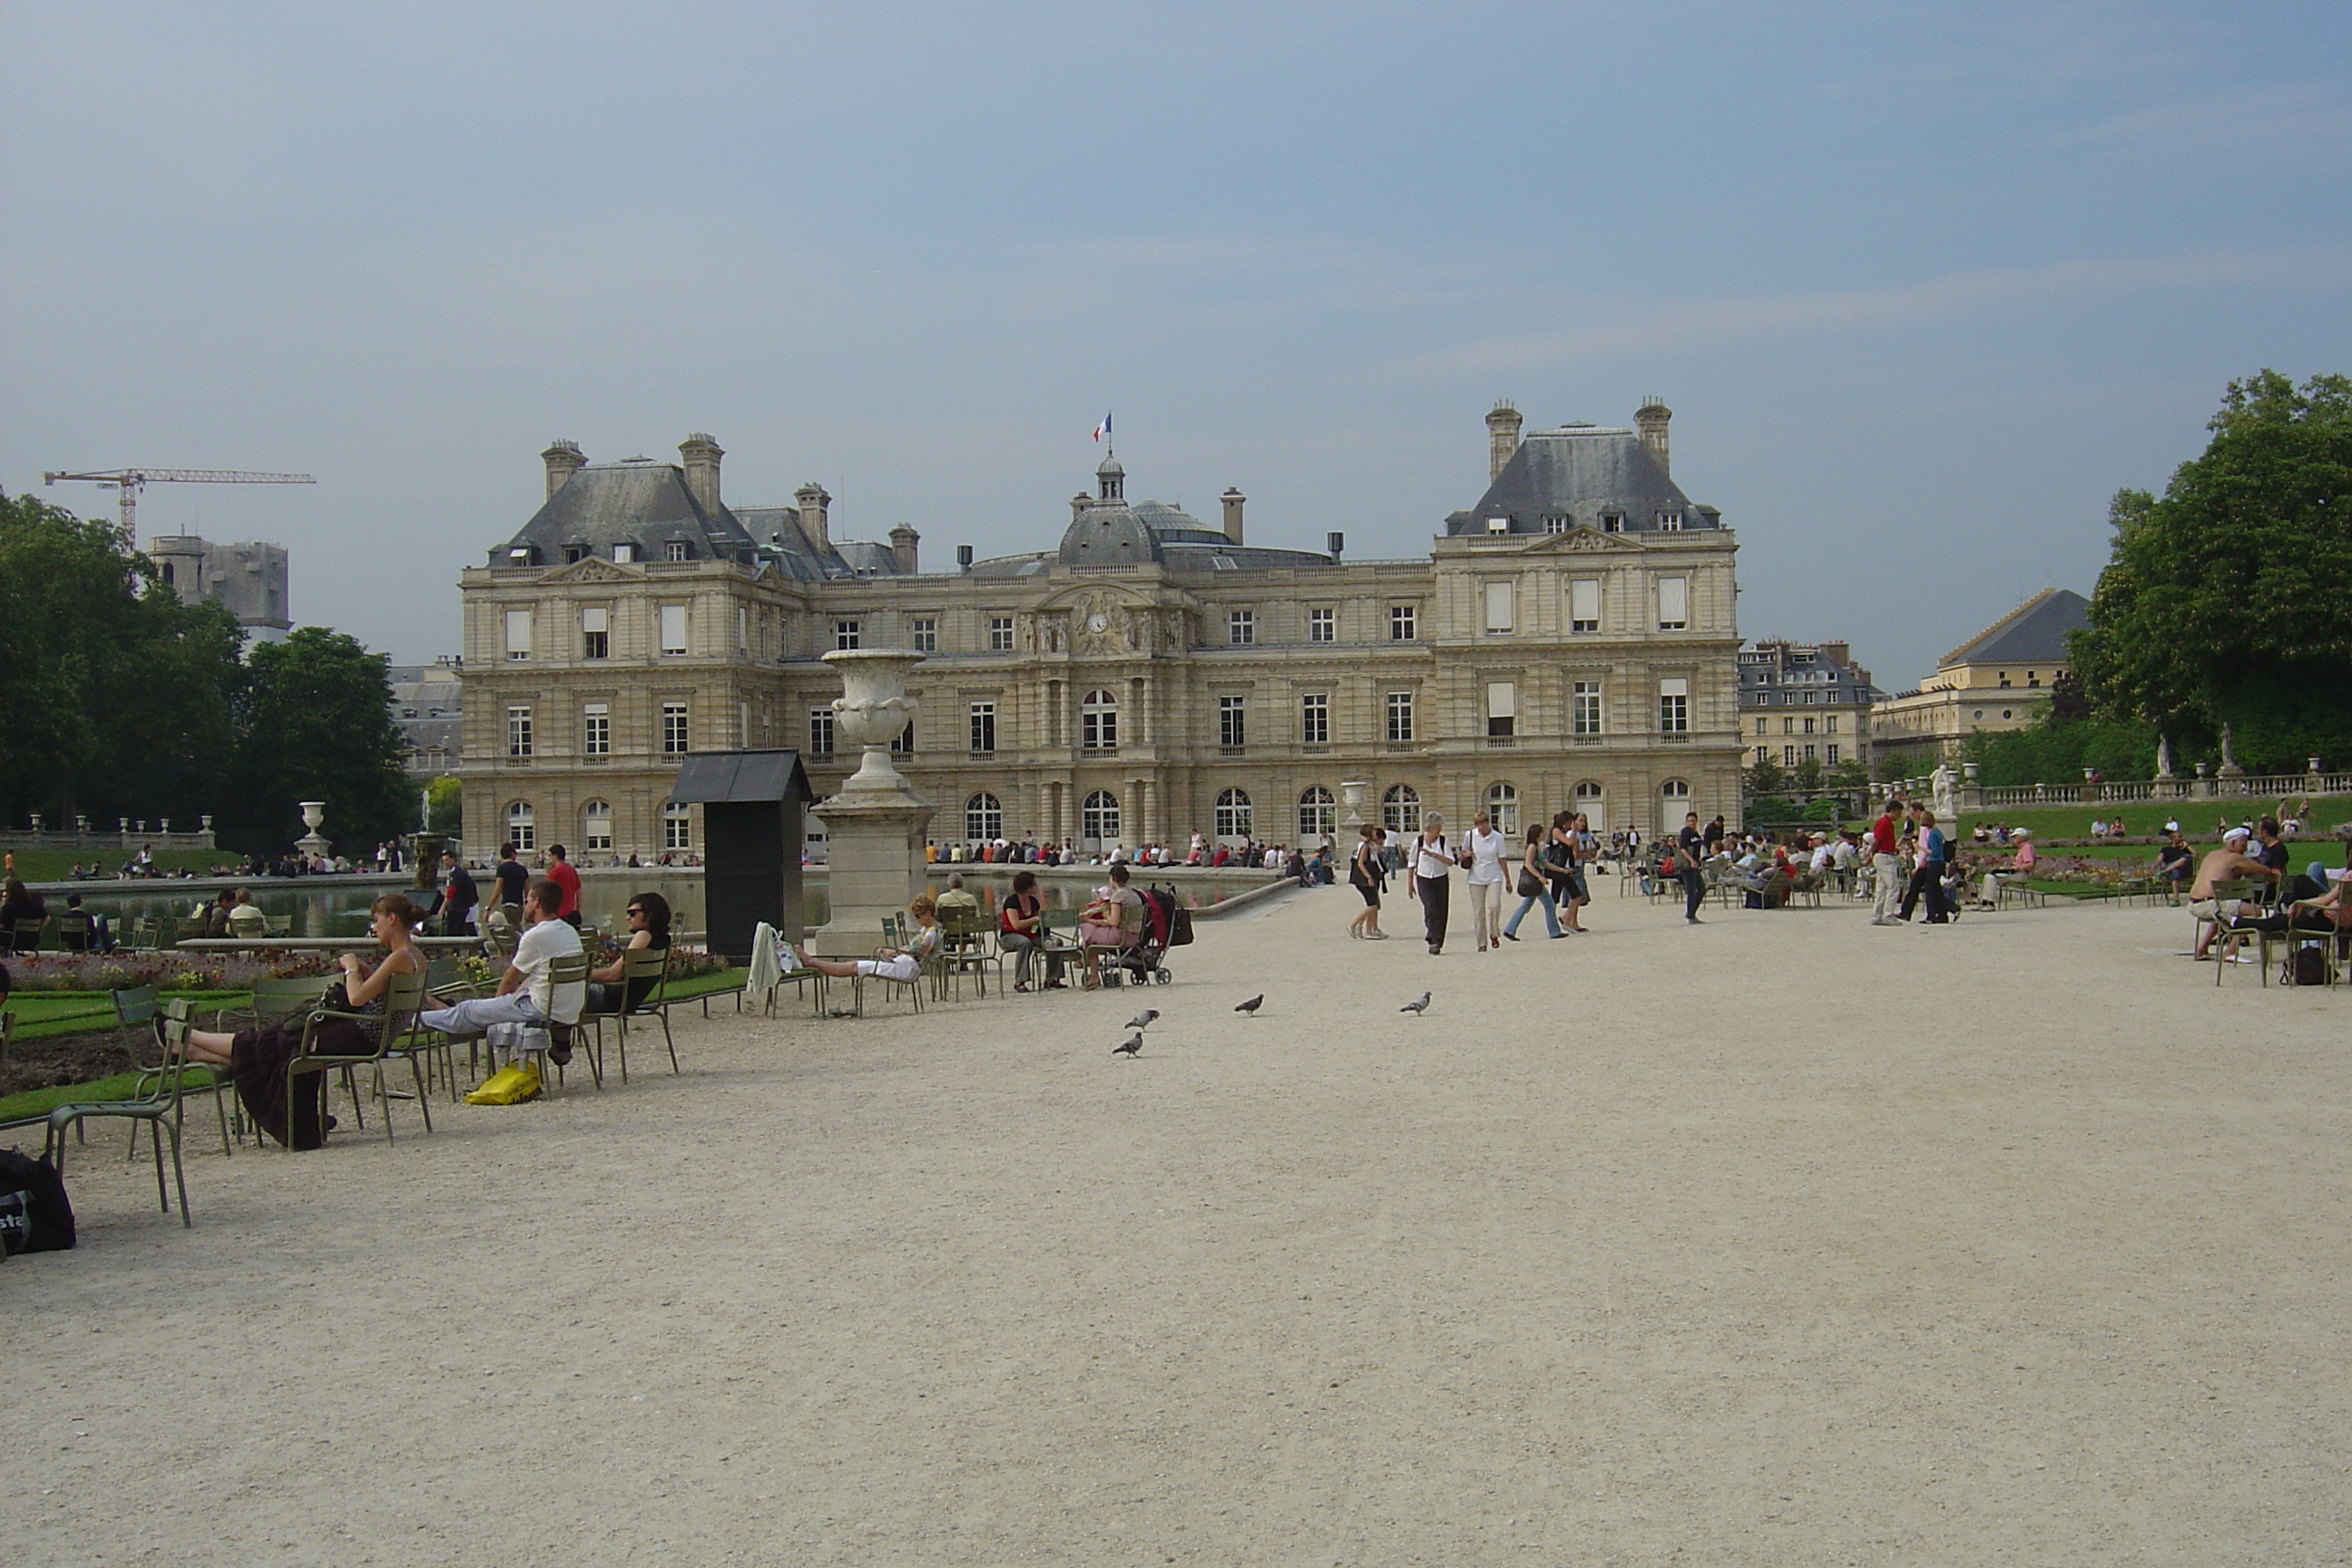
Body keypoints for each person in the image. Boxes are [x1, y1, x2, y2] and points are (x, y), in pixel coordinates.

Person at [180, 894, 426, 1150]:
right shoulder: (416, 956)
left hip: (363, 1035)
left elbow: (355, 998)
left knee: (282, 1041)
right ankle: (195, 1047)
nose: (374, 927)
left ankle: (191, 1038)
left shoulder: (398, 957)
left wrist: (351, 968)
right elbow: (381, 994)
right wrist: (365, 973)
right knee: (280, 1041)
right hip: (375, 1034)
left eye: (377, 920)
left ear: (392, 919)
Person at [420, 879, 587, 1102]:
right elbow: (540, 976)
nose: (525, 905)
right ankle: (438, 1011)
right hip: (566, 1008)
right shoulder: (568, 932)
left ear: (537, 903)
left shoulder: (535, 936)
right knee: (479, 1009)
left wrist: (499, 1002)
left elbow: (510, 976)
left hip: (539, 1008)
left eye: (528, 901)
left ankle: (416, 1020)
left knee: (469, 1010)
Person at [793, 893, 943, 991]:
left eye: (918, 916)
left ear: (928, 913)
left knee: (853, 967)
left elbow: (919, 951)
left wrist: (894, 951)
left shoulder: (930, 933)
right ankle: (812, 962)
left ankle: (812, 962)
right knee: (855, 965)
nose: (916, 919)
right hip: (903, 964)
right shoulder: (929, 930)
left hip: (905, 968)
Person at [2188, 828, 2281, 960]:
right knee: (2255, 913)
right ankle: (2230, 952)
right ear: (2232, 843)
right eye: (2243, 843)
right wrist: (2274, 874)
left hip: (2194, 904)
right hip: (2211, 904)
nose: (2246, 847)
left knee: (2226, 912)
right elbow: (2264, 870)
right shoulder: (2235, 857)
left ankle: (2202, 949)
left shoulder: (2212, 854)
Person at [585, 891, 671, 1015]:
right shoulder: (663, 940)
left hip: (610, 1000)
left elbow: (613, 975)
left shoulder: (644, 936)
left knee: (555, 993)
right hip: (627, 1002)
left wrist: (579, 974)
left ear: (650, 914)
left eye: (633, 913)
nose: (628, 918)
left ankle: (558, 1034)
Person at [1073, 866, 1144, 986]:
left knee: (1087, 929)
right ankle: (1088, 965)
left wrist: (1090, 921)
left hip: (1120, 936)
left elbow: (1113, 922)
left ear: (1113, 878)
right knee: (1092, 936)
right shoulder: (1135, 895)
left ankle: (1092, 973)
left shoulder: (1118, 896)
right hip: (1134, 936)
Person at [997, 870, 1063, 990]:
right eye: (1035, 884)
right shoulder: (1011, 902)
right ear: (1028, 888)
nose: (1037, 886)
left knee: (1055, 942)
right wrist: (1034, 920)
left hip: (1031, 934)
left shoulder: (1033, 902)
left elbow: (1036, 923)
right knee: (1024, 943)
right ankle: (1020, 981)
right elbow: (1016, 925)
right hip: (1010, 936)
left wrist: (1042, 927)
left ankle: (1051, 978)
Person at [1501, 821, 1563, 941]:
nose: (1544, 834)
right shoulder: (1532, 847)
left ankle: (1510, 929)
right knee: (1549, 904)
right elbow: (1528, 865)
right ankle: (1554, 931)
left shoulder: (1536, 847)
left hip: (1534, 881)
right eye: (1542, 832)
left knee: (1526, 906)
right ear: (1537, 834)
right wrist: (1540, 876)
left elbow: (1545, 863)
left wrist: (1561, 870)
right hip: (1533, 880)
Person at [1406, 814, 1457, 955]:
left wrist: (1433, 854)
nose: (1440, 829)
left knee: (1442, 910)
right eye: (1438, 826)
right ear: (1431, 827)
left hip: (1441, 878)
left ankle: (1438, 940)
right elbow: (1411, 864)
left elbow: (1450, 861)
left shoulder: (1442, 841)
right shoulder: (1418, 842)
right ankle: (1432, 938)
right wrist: (1410, 884)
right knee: (1430, 907)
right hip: (1424, 878)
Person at [1896, 805, 1952, 923]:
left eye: (1913, 813)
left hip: (1928, 862)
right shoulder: (1931, 830)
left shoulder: (1925, 830)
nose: (1912, 816)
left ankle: (1941, 911)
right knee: (1930, 889)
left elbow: (1926, 848)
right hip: (1930, 862)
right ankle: (1940, 914)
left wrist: (1921, 862)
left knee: (1927, 889)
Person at [1867, 796, 1906, 926]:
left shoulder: (1885, 823)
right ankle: (1888, 914)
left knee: (1882, 887)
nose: (1899, 816)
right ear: (1893, 811)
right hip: (1884, 856)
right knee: (1893, 885)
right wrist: (1871, 852)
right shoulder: (1884, 823)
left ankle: (1877, 915)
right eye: (1899, 813)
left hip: (1883, 854)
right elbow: (1876, 840)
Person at [1347, 824, 1387, 939]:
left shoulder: (1369, 845)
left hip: (1372, 877)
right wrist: (1369, 877)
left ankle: (1367, 928)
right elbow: (1360, 863)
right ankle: (1354, 924)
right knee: (1373, 906)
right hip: (1365, 879)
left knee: (1373, 904)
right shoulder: (1365, 846)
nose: (1376, 833)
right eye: (1374, 831)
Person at [1674, 811, 1707, 924]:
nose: (1691, 823)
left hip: (1695, 865)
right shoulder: (1685, 832)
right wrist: (1691, 860)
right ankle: (1691, 915)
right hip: (1687, 865)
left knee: (1701, 889)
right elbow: (1682, 848)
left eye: (1693, 821)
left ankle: (1691, 912)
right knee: (1692, 890)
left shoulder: (1695, 833)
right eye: (1689, 821)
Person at [439, 849, 479, 937]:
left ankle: (454, 950)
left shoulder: (454, 873)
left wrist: (443, 908)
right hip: (465, 906)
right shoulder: (461, 872)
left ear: (454, 859)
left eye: (447, 860)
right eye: (443, 861)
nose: (445, 863)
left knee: (453, 932)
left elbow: (451, 891)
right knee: (467, 929)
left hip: (457, 907)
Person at [544, 843, 583, 928]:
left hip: (558, 913)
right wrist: (578, 909)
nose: (549, 858)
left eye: (550, 855)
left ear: (555, 856)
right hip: (571, 912)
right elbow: (579, 891)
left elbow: (546, 892)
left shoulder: (554, 872)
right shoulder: (572, 870)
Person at [2155, 829, 2193, 906]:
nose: (2182, 838)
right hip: (2171, 873)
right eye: (2180, 837)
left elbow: (2196, 855)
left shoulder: (2185, 849)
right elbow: (2159, 859)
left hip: (2184, 871)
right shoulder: (2166, 849)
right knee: (2175, 870)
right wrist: (2152, 868)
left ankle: (2164, 872)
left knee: (2186, 857)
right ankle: (2176, 899)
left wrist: (2188, 846)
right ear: (2173, 838)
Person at [493, 843, 530, 916]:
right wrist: (528, 906)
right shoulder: (522, 869)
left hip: (507, 904)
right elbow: (527, 890)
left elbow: (498, 889)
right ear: (513, 854)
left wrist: (489, 907)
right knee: (517, 924)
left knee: (510, 925)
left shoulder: (501, 869)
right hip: (518, 904)